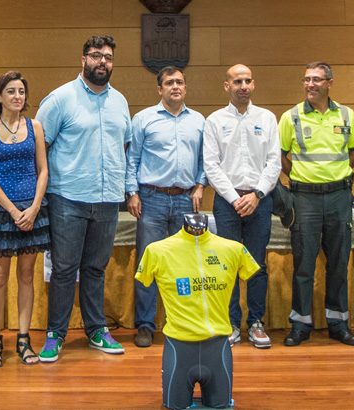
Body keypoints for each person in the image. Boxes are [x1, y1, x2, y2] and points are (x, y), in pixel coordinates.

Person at [35, 35, 131, 362]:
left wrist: (125, 188)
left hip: (107, 200)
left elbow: (125, 146)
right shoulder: (60, 99)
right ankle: (55, 334)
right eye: (95, 55)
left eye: (108, 57)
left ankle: (96, 330)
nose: (102, 62)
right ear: (83, 59)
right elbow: (39, 146)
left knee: (95, 268)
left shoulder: (120, 101)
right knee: (64, 269)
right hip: (67, 198)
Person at [278, 62, 354, 347]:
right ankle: (300, 323)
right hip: (304, 198)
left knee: (339, 262)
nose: (310, 84)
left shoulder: (346, 114)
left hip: (339, 196)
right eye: (306, 79)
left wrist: (336, 176)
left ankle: (338, 323)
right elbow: (280, 155)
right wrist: (301, 177)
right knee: (304, 264)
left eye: (317, 79)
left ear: (330, 82)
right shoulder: (290, 117)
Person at [135, 213, 259, 409]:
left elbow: (253, 275)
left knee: (221, 406)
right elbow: (143, 280)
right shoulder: (157, 251)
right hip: (178, 349)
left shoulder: (233, 249)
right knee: (174, 406)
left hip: (218, 348)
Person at [126, 66, 206, 347]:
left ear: (186, 88)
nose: (176, 87)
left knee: (183, 265)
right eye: (170, 83)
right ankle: (146, 325)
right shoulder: (144, 119)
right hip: (151, 199)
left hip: (186, 200)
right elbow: (132, 159)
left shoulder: (198, 121)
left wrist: (200, 185)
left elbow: (204, 161)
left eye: (180, 82)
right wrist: (132, 192)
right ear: (159, 89)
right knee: (149, 264)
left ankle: (180, 321)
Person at [203, 64, 281, 348]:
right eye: (237, 81)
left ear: (254, 84)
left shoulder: (267, 118)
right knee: (228, 265)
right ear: (227, 86)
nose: (243, 85)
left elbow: (274, 162)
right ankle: (232, 323)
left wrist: (257, 194)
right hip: (228, 203)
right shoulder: (214, 121)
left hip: (260, 201)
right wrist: (235, 199)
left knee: (257, 264)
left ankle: (257, 322)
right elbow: (211, 165)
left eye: (248, 80)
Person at [0, 71, 50, 367]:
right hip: (2, 210)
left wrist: (33, 208)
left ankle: (23, 338)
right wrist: (12, 210)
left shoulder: (35, 126)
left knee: (26, 276)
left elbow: (43, 170)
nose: (17, 96)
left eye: (21, 91)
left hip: (33, 209)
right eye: (11, 91)